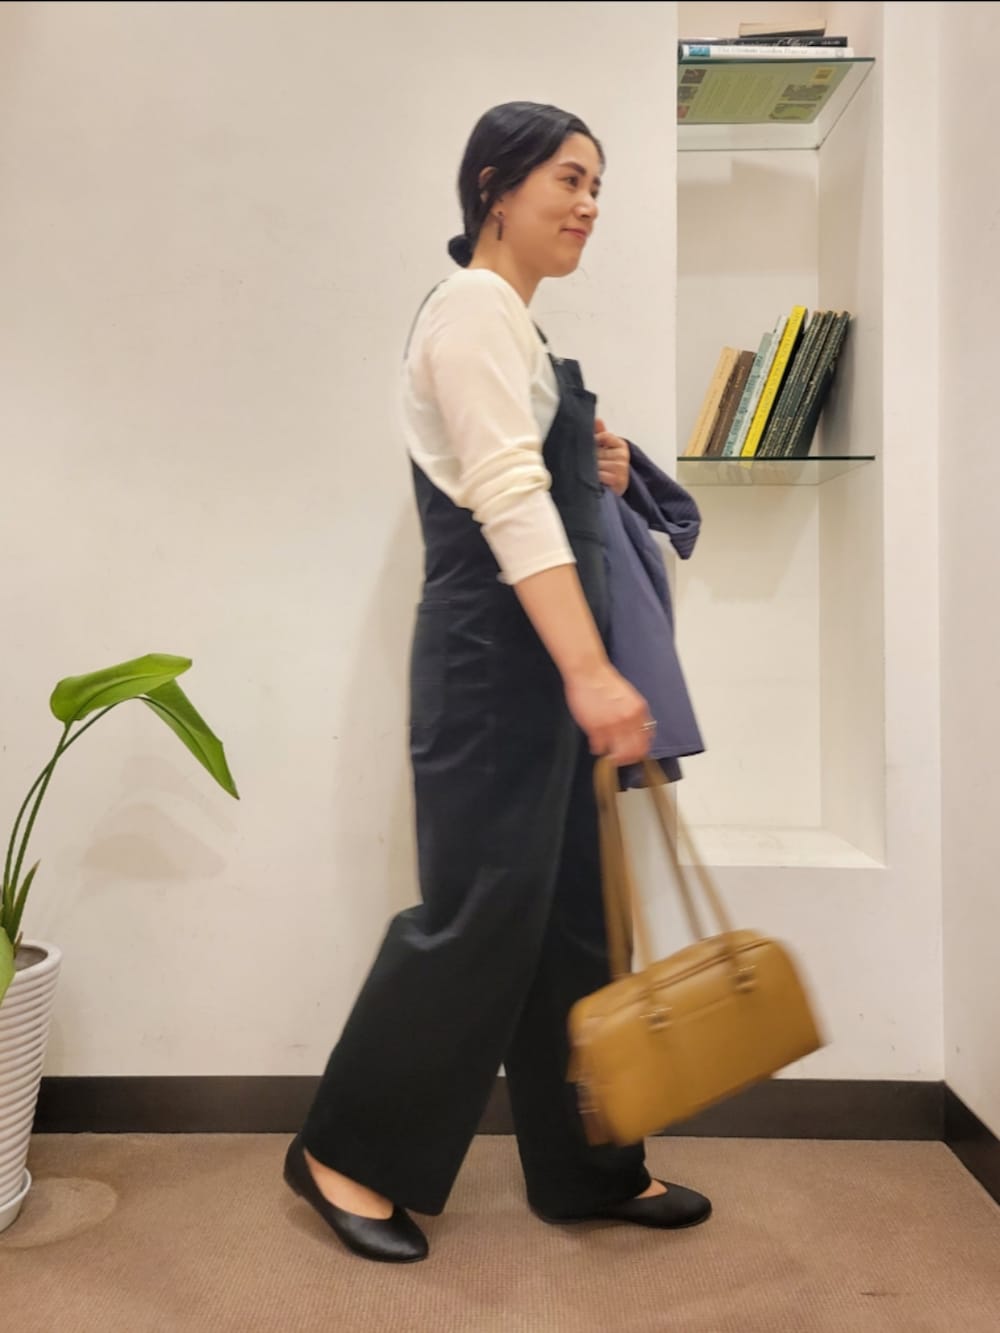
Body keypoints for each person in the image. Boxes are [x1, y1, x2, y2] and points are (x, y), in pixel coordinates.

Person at [283, 101, 711, 1264]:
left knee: (574, 920)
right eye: (568, 179)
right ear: (493, 188)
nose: (588, 205)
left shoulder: (513, 327)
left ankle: (586, 1167)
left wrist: (597, 464)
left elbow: (527, 475)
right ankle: (340, 1152)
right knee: (476, 916)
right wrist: (590, 670)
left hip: (540, 662)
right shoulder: (472, 309)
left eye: (597, 187)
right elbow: (510, 507)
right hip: (493, 665)